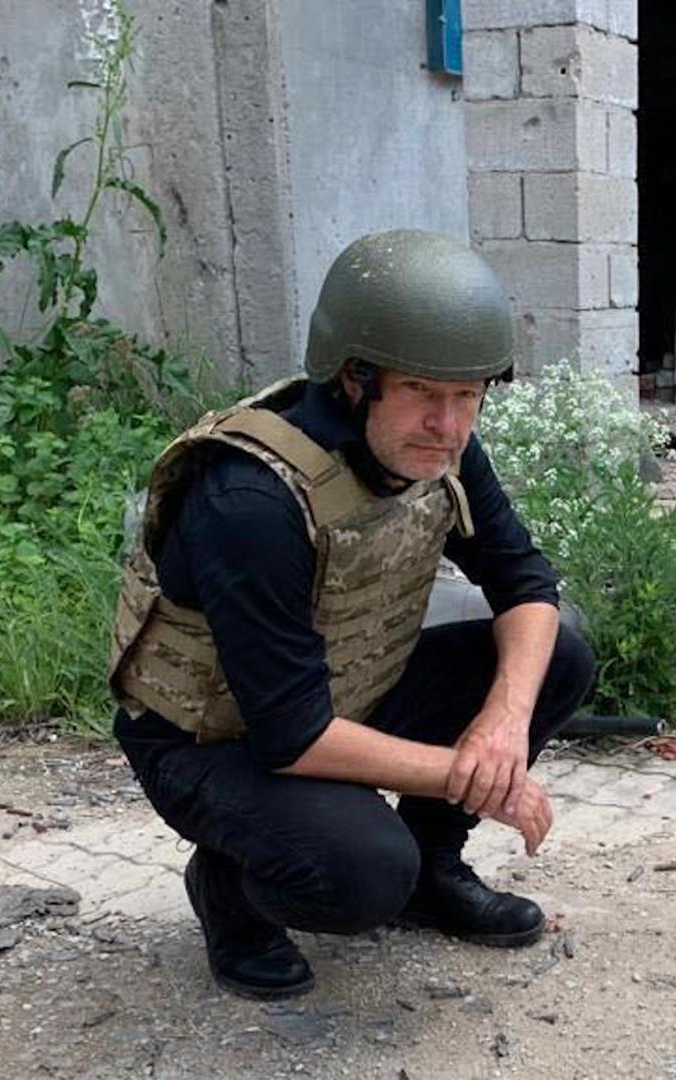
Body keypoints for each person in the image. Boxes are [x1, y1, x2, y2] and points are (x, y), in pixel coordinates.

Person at [109, 230, 593, 1001]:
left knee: (557, 656)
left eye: (467, 396)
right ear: (353, 379)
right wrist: (477, 778)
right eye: (423, 393)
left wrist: (501, 725)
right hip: (210, 742)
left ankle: (433, 874)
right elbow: (290, 734)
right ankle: (231, 891)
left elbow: (526, 583)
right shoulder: (250, 500)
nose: (449, 424)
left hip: (341, 694)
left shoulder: (439, 448)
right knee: (364, 870)